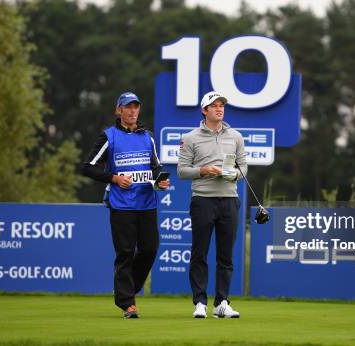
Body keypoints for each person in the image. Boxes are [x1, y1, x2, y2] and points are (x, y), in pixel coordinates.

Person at [82, 91, 169, 319]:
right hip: (121, 206)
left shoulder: (147, 136)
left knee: (150, 249)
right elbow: (89, 167)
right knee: (126, 253)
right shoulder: (108, 136)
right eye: (127, 107)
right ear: (118, 110)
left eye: (135, 107)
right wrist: (114, 178)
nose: (132, 111)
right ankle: (127, 304)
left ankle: (126, 289)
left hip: (147, 203)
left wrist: (161, 181)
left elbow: (156, 167)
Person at [177, 91, 247, 318]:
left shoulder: (235, 136)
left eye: (221, 105)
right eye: (214, 106)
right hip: (202, 200)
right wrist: (203, 170)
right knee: (200, 253)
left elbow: (243, 169)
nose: (219, 109)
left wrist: (229, 174)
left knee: (225, 255)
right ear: (204, 110)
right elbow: (181, 170)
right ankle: (200, 303)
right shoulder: (190, 138)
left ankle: (221, 303)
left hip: (229, 199)